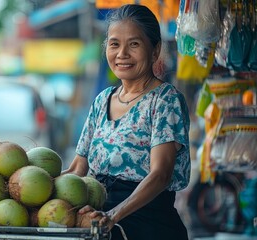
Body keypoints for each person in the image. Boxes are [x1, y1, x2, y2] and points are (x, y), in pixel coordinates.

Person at [62, 4, 191, 240]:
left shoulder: (165, 100)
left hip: (150, 227)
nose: (122, 54)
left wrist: (114, 215)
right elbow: (77, 169)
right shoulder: (102, 101)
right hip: (103, 226)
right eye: (114, 44)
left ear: (154, 50)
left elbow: (160, 174)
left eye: (134, 44)